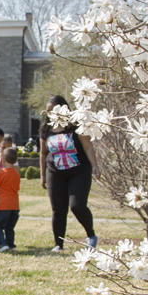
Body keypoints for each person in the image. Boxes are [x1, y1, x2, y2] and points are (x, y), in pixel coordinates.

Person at [39, 96, 98, 252]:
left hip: (79, 171)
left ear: (64, 109)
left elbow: (87, 146)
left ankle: (91, 235)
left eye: (54, 110)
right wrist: (43, 175)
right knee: (58, 209)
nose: (51, 113)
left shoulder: (76, 126)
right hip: (55, 172)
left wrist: (95, 165)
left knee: (77, 206)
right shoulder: (46, 128)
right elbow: (43, 153)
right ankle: (58, 244)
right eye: (48, 111)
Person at [0, 147, 21, 252]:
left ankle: (1, 244)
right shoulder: (16, 173)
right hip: (15, 205)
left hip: (3, 204)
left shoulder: (1, 172)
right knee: (9, 227)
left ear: (2, 160)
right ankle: (11, 245)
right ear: (16, 160)